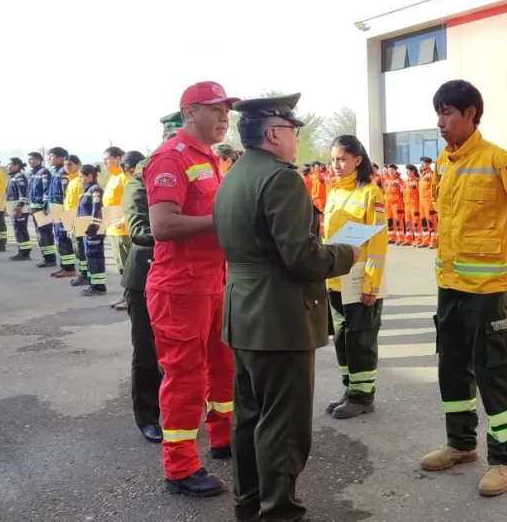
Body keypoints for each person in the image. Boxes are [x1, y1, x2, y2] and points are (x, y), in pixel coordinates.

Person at [213, 93, 357, 521]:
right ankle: (279, 512)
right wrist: (346, 252)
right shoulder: (281, 179)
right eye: (293, 131)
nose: (296, 138)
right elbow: (304, 258)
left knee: (249, 417)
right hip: (279, 317)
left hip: (243, 312)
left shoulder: (235, 174)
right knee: (284, 426)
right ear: (274, 133)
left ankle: (249, 503)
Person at [421, 79, 507, 498]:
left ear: (470, 115)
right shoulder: (444, 163)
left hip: (487, 291)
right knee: (452, 366)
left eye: (448, 113)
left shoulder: (502, 161)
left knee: (493, 372)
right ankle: (461, 444)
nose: (441, 122)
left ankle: (504, 459)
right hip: (450, 286)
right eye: (438, 112)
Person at [144, 81, 238, 496]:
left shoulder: (210, 159)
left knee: (223, 365)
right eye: (215, 109)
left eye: (227, 110)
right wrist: (223, 220)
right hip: (181, 288)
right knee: (185, 377)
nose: (224, 117)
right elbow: (162, 226)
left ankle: (222, 438)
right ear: (189, 114)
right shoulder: (171, 157)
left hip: (213, 281)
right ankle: (179, 467)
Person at [322, 134, 389, 419]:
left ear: (357, 160)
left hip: (360, 281)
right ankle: (350, 389)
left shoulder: (371, 194)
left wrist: (371, 284)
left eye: (342, 159)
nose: (336, 165)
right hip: (336, 280)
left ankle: (363, 396)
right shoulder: (335, 192)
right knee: (341, 338)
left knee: (360, 339)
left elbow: (377, 243)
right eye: (333, 159)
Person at [119, 149, 162, 444]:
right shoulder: (140, 182)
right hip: (146, 276)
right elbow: (139, 230)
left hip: (187, 275)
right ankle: (148, 416)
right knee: (148, 350)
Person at [102, 147, 131, 309]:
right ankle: (125, 294)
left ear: (118, 158)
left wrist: (124, 219)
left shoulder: (124, 177)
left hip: (123, 229)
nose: (105, 162)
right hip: (112, 228)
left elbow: (130, 200)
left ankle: (132, 298)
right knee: (121, 266)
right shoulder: (112, 178)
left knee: (129, 266)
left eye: (107, 158)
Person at [46, 147, 79, 278]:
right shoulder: (56, 171)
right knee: (59, 238)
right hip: (55, 208)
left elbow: (66, 193)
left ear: (60, 158)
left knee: (63, 237)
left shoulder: (63, 173)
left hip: (61, 208)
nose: (49, 159)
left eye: (51, 156)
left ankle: (69, 268)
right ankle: (65, 266)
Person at [76, 165, 107, 296]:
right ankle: (92, 283)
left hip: (93, 230)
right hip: (86, 230)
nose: (80, 179)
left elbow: (96, 209)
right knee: (90, 256)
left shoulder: (95, 190)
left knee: (95, 256)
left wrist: (93, 227)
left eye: (81, 176)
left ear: (89, 176)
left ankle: (98, 286)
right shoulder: (87, 190)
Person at [26, 151, 57, 266]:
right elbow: (29, 191)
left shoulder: (44, 172)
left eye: (33, 159)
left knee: (45, 234)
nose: (30, 161)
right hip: (34, 208)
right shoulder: (33, 173)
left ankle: (50, 259)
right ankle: (47, 257)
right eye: (29, 159)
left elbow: (46, 190)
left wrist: (45, 206)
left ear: (39, 160)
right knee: (40, 234)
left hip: (41, 209)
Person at [63, 155, 89, 285]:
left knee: (81, 248)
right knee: (77, 248)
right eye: (65, 165)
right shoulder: (72, 180)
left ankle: (85, 275)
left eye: (70, 165)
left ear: (78, 165)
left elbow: (81, 202)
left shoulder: (80, 181)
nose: (67, 167)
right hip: (70, 217)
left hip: (78, 218)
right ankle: (83, 273)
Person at [3, 158, 33, 260]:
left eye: (9, 164)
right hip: (13, 207)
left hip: (19, 207)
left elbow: (23, 193)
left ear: (16, 166)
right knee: (17, 229)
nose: (8, 166)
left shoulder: (19, 176)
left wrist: (20, 206)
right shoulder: (12, 177)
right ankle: (22, 251)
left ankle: (25, 253)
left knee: (20, 229)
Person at [418, 156, 438, 248]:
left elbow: (435, 188)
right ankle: (425, 241)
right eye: (421, 163)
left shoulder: (431, 174)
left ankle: (434, 241)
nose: (422, 164)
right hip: (421, 202)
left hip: (429, 202)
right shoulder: (421, 175)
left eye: (424, 163)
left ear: (429, 164)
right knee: (423, 222)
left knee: (431, 222)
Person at [403, 164, 421, 246]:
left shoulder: (417, 181)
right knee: (407, 223)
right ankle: (408, 240)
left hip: (415, 205)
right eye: (406, 171)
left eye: (409, 171)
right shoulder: (406, 182)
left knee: (416, 223)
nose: (407, 172)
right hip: (407, 205)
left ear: (413, 171)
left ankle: (418, 240)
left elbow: (420, 194)